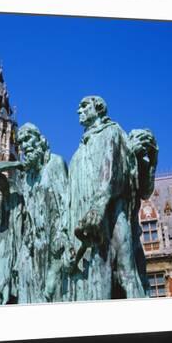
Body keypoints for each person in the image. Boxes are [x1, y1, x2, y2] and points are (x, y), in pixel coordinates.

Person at [67, 96, 156, 300]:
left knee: (126, 271)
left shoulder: (111, 132)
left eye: (83, 106)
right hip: (88, 221)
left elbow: (111, 173)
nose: (78, 111)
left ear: (97, 109)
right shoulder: (77, 154)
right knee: (97, 276)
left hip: (112, 214)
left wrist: (98, 208)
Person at [0, 123, 69, 305]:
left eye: (28, 140)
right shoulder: (25, 178)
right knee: (27, 301)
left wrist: (63, 235)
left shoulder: (55, 163)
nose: (25, 146)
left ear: (40, 140)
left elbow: (65, 203)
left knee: (51, 297)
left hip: (52, 245)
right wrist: (16, 163)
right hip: (30, 248)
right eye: (21, 144)